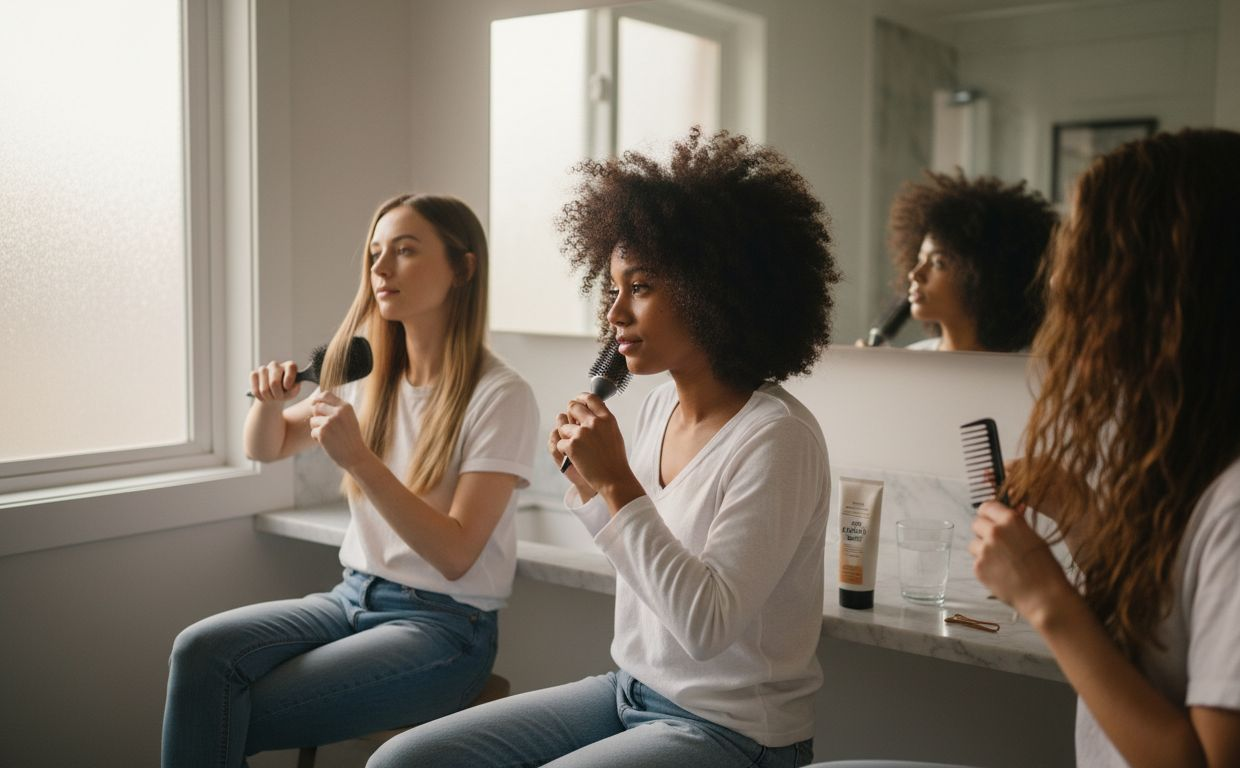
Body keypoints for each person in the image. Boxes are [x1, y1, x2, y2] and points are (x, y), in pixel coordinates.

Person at [369, 128, 840, 767]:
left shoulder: (777, 438)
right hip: (630, 691)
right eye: (612, 287)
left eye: (639, 287)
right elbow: (643, 561)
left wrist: (616, 484)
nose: (614, 313)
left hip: (732, 731)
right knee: (405, 761)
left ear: (716, 292)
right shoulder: (654, 409)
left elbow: (704, 627)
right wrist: (593, 487)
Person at [970, 129, 1240, 766]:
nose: (1060, 277)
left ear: (1169, 283)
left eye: (1086, 252)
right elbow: (1173, 645)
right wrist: (1088, 526)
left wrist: (1046, 599)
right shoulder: (1207, 453)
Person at [161, 194, 539, 767]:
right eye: (375, 254)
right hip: (351, 598)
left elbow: (457, 553)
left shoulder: (501, 396)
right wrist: (269, 402)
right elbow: (266, 446)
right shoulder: (367, 376)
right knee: (200, 654)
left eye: (405, 251)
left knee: (215, 712)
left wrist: (361, 460)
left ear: (463, 268)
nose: (380, 269)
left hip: (443, 629)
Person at [888, 170, 1056, 351]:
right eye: (919, 259)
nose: (915, 274)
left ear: (987, 278)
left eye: (938, 263)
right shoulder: (911, 358)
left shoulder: (1029, 372)